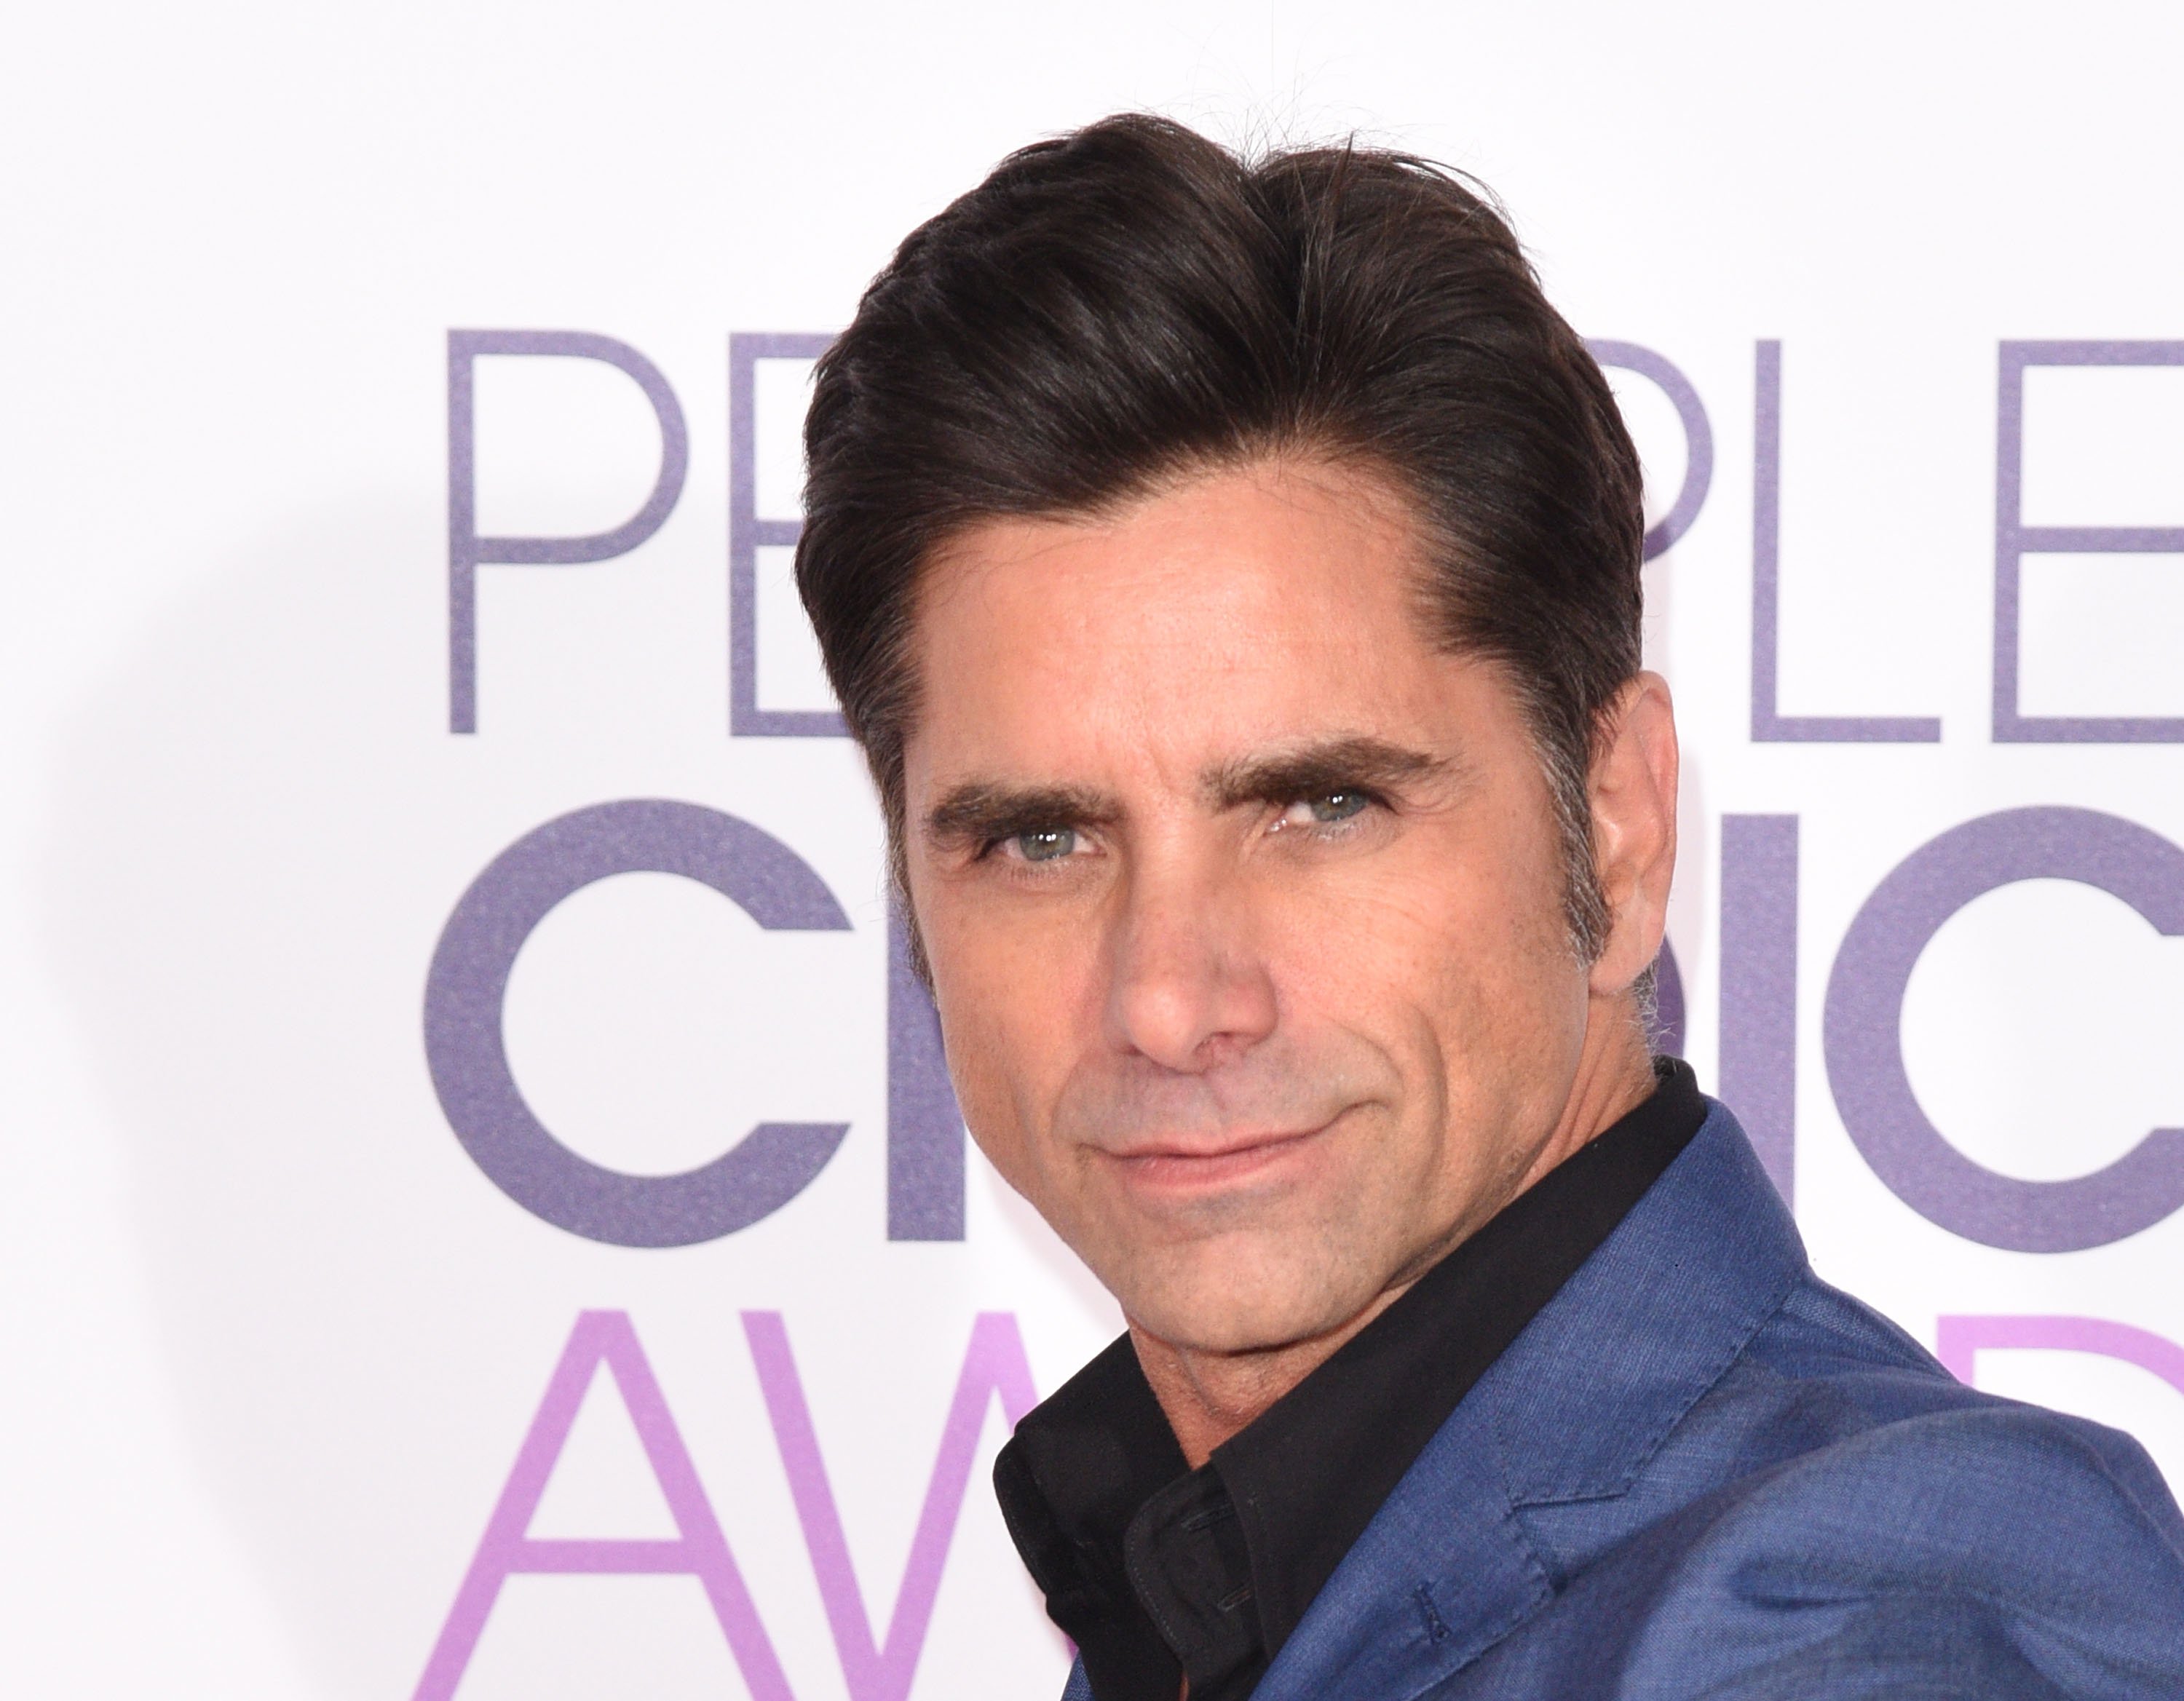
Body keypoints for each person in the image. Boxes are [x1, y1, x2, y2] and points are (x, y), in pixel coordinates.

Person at [793, 114, 2184, 1700]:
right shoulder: (1221, 1589)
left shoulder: (1863, 1625)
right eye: (1042, 838)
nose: (1170, 999)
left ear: (1622, 822)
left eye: (1322, 806)